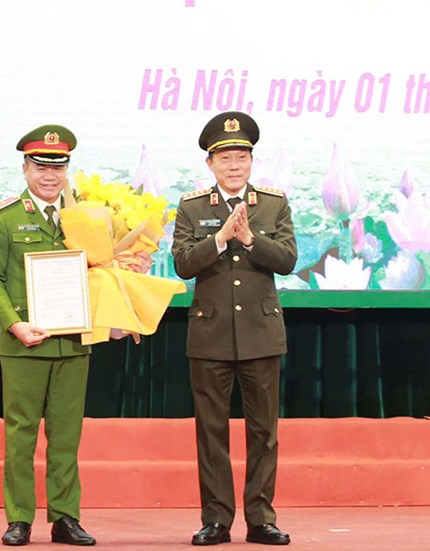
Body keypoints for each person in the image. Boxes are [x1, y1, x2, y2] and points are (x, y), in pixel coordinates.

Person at [172, 111, 298, 546]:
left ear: (251, 161)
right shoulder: (192, 206)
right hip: (210, 336)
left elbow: (287, 260)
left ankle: (261, 519)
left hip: (261, 334)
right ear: (210, 163)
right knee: (211, 432)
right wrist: (220, 238)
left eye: (241, 156)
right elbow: (183, 264)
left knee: (264, 432)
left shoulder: (273, 203)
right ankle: (217, 521)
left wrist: (248, 239)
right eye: (224, 157)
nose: (233, 164)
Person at [0, 124, 96, 547]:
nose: (49, 175)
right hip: (23, 342)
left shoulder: (86, 214)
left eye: (58, 167)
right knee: (20, 435)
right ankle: (19, 519)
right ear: (25, 168)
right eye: (40, 166)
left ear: (67, 169)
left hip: (72, 341)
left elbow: (100, 269)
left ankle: (65, 518)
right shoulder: (3, 216)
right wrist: (14, 323)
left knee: (66, 437)